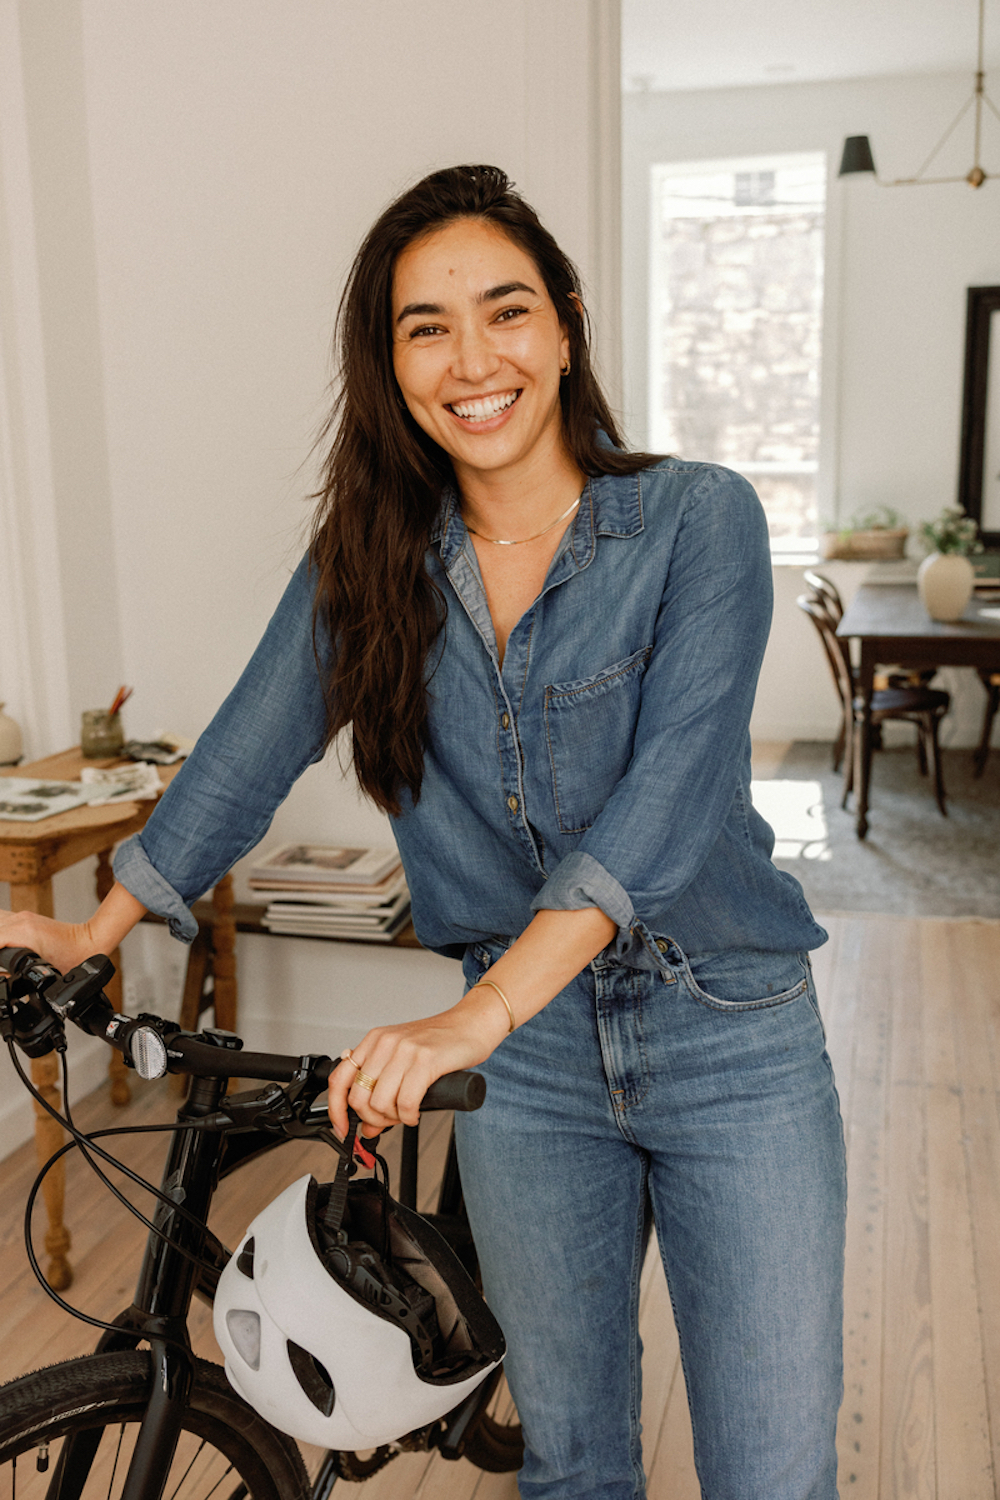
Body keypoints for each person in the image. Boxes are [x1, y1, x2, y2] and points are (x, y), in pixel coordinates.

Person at [0, 164, 846, 1499]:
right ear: (390, 365)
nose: (472, 359)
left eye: (505, 311)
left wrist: (472, 1019)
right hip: (535, 1077)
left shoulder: (695, 521)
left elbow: (667, 809)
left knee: (772, 1473)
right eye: (425, 327)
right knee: (568, 1461)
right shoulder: (368, 565)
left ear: (564, 325)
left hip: (727, 1033)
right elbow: (244, 752)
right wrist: (95, 928)